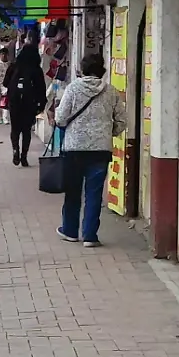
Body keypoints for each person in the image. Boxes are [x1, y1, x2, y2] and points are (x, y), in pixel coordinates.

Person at [54, 53, 124, 247]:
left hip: (74, 148)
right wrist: (108, 133)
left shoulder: (73, 89)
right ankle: (90, 236)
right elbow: (121, 120)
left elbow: (60, 118)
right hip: (101, 149)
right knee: (94, 193)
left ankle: (70, 230)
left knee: (73, 191)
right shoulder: (111, 91)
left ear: (82, 70)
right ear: (102, 70)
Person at [4, 38, 47, 166]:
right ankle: (24, 156)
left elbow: (6, 83)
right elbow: (41, 88)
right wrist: (41, 104)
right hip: (30, 103)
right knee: (26, 130)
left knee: (15, 129)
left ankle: (15, 150)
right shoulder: (36, 69)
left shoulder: (13, 66)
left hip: (15, 102)